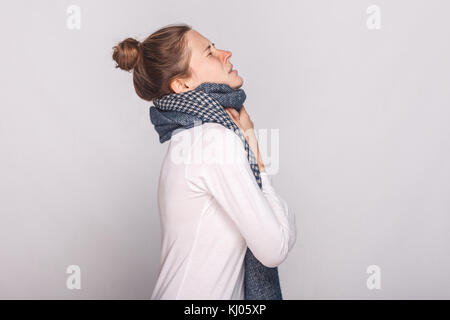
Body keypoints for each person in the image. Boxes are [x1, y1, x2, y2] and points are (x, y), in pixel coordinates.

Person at [112, 23, 297, 300]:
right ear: (182, 84)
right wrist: (254, 149)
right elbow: (275, 248)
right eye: (209, 52)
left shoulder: (188, 139)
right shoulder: (212, 140)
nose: (226, 53)